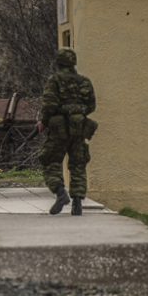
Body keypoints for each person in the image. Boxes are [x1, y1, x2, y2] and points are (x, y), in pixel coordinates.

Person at [37, 48, 97, 216]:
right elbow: (91, 106)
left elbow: (49, 104)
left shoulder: (54, 80)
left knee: (50, 160)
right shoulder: (84, 81)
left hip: (59, 129)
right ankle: (77, 203)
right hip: (78, 128)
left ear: (58, 63)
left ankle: (60, 193)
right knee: (78, 164)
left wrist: (43, 121)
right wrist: (76, 111)